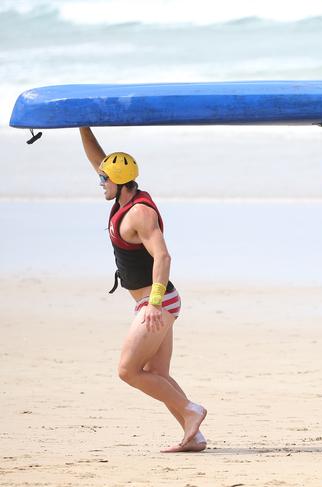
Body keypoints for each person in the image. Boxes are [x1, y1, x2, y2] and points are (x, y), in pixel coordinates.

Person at [79, 127, 207, 453]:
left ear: (120, 182)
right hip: (159, 301)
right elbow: (98, 159)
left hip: (158, 301)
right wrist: (83, 124)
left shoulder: (140, 212)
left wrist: (152, 304)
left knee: (128, 371)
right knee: (156, 374)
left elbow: (163, 256)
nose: (100, 184)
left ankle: (192, 410)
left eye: (104, 180)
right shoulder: (123, 193)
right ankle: (194, 436)